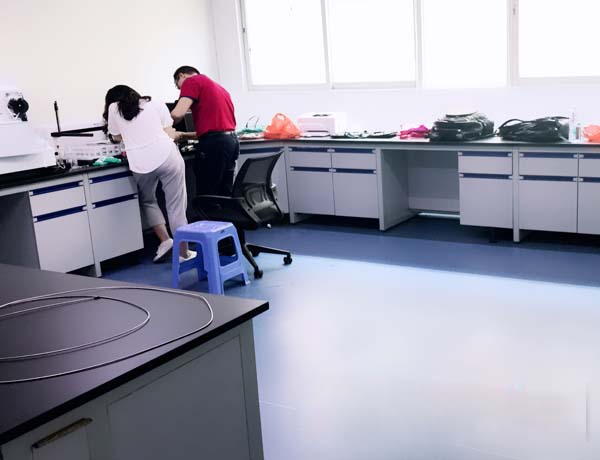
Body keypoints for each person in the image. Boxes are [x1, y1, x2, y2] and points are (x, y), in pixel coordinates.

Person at [103, 85, 195, 263]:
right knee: (175, 207)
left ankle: (165, 241)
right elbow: (168, 130)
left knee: (148, 200)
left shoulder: (113, 108)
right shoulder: (155, 103)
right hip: (167, 156)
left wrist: (130, 132)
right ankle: (184, 254)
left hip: (140, 163)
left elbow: (116, 136)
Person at [170, 65, 239, 196]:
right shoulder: (219, 88)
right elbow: (211, 131)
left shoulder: (191, 81)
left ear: (181, 76)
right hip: (231, 142)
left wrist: (164, 128)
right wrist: (183, 135)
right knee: (224, 193)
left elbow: (177, 114)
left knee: (208, 194)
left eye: (178, 86)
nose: (180, 90)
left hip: (215, 145)